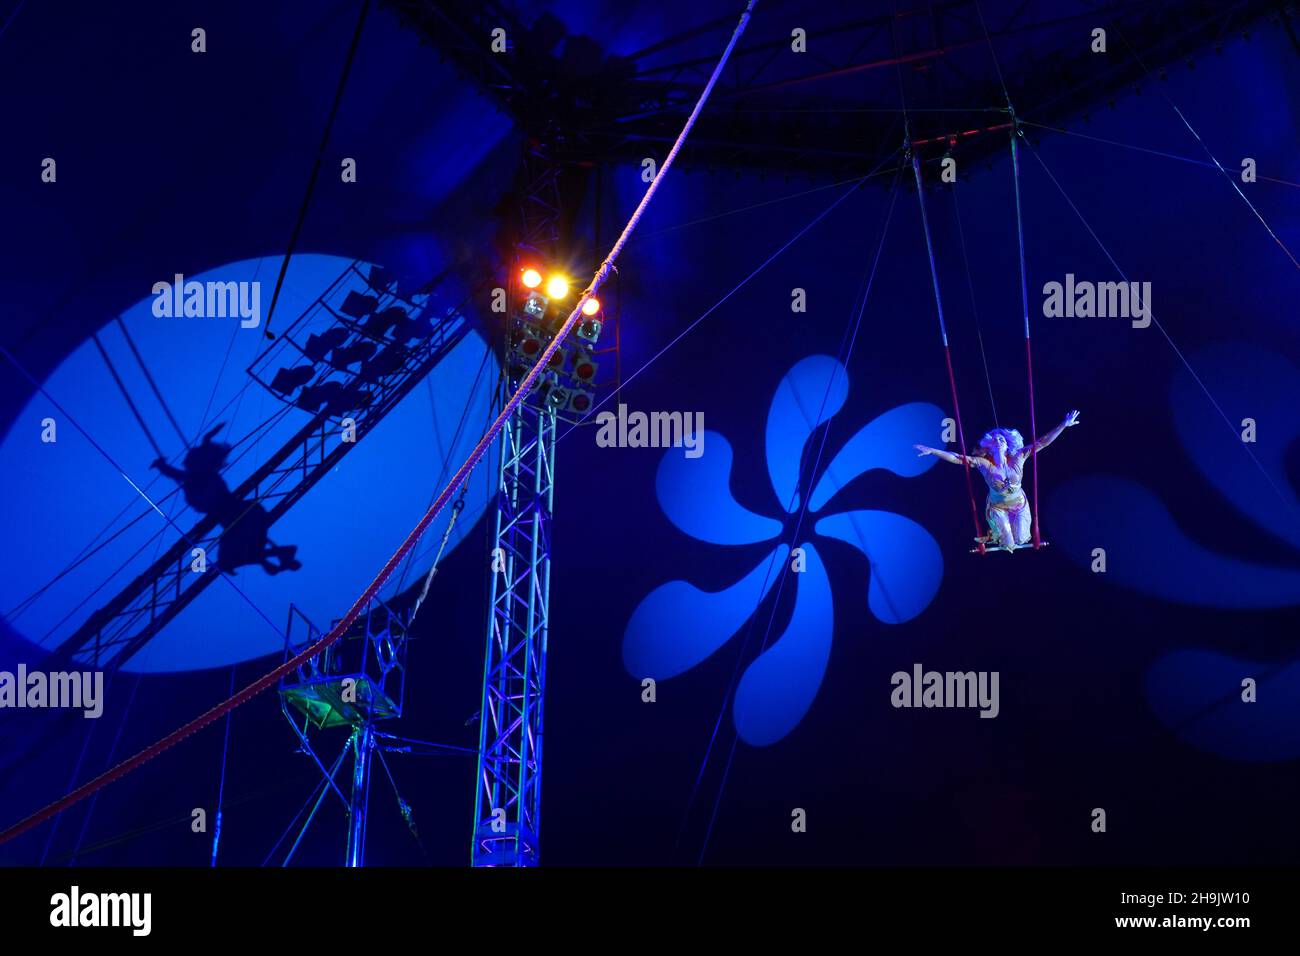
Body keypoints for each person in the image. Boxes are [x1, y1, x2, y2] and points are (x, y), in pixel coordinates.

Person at [914, 410, 1080, 552]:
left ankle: (998, 534)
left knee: (1021, 539)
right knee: (1009, 544)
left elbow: (1042, 442)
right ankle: (994, 534)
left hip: (1019, 505)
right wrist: (933, 451)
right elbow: (957, 458)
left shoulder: (1018, 457)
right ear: (990, 448)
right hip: (997, 507)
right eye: (995, 440)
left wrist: (1064, 425)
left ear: (1008, 445)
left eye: (1002, 439)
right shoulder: (984, 464)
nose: (999, 440)